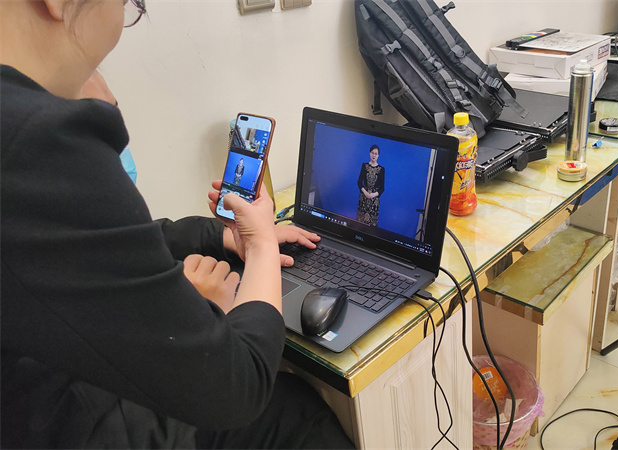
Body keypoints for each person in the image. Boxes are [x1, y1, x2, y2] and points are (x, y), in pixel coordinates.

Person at [0, 1, 354, 448]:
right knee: (297, 415)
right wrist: (259, 250)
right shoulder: (35, 145)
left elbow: (107, 242)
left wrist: (224, 237)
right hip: (81, 425)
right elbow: (237, 387)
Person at [356, 144, 385, 226]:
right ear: (369, 153)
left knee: (372, 226)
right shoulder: (364, 166)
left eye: (376, 153)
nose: (374, 155)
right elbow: (359, 182)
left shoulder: (381, 169)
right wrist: (365, 193)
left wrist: (372, 195)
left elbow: (382, 188)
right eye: (372, 153)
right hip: (363, 197)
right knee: (359, 223)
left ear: (378, 155)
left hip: (374, 200)